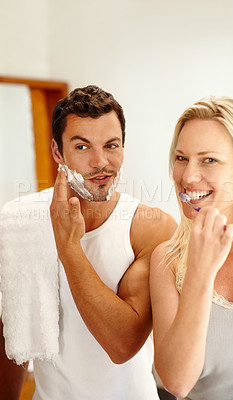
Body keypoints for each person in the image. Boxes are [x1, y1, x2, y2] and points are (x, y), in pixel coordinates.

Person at [0, 85, 176, 400]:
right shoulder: (18, 223)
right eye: (82, 147)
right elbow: (12, 333)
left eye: (111, 145)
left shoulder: (150, 228)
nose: (100, 162)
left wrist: (69, 249)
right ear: (57, 152)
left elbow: (122, 345)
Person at [150, 96, 233, 400]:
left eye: (209, 160)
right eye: (181, 158)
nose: (187, 177)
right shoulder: (168, 261)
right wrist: (200, 271)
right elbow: (176, 382)